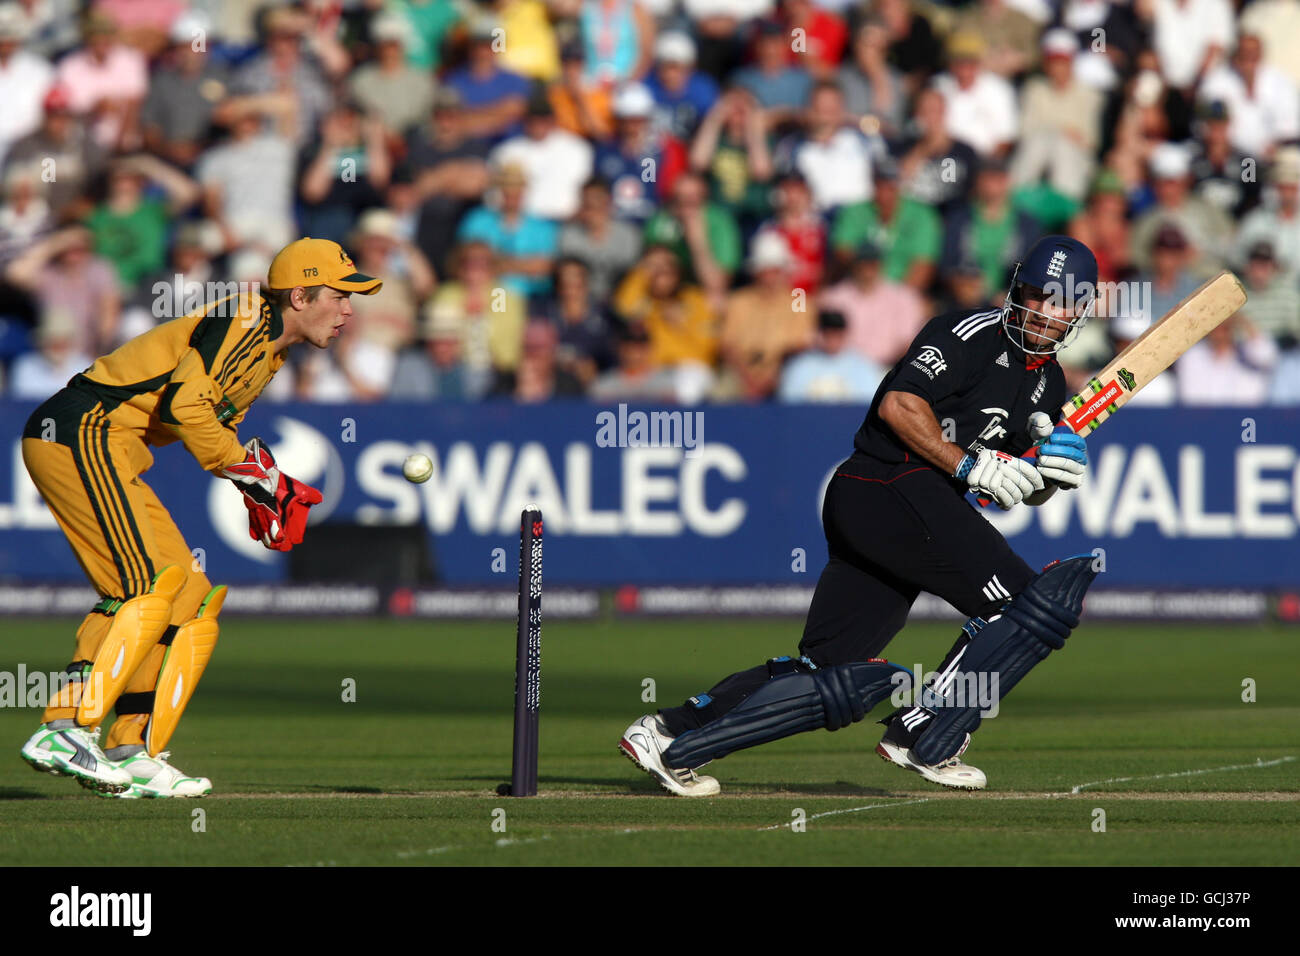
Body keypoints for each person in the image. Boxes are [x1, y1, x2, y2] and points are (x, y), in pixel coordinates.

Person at [618, 235, 1100, 795]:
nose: (1042, 310)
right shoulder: (965, 333)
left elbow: (1007, 484)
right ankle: (924, 732)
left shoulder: (1049, 382)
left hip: (911, 511)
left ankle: (668, 732)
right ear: (1015, 290)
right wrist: (969, 465)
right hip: (885, 483)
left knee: (828, 667)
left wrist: (1047, 480)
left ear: (1081, 309)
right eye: (1033, 294)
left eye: (1057, 300)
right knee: (1024, 605)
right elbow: (900, 406)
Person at [17, 237, 382, 798]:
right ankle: (64, 727)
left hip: (112, 445)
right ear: (301, 295)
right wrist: (254, 476)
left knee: (189, 597)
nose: (349, 310)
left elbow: (209, 421)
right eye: (340, 295)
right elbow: (185, 408)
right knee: (144, 587)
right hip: (81, 430)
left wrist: (254, 481)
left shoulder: (272, 349)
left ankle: (131, 748)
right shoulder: (246, 317)